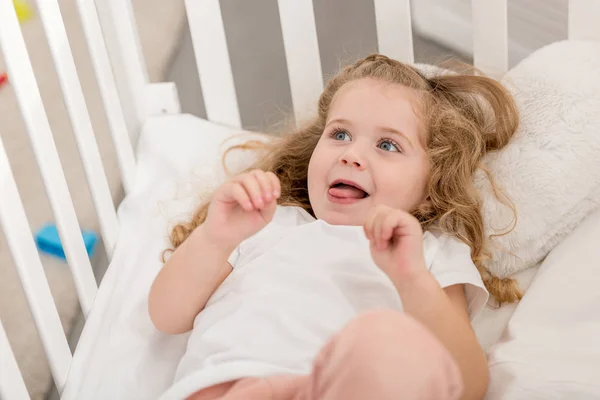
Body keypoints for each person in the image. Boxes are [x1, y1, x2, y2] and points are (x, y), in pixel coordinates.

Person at [149, 54, 520, 400]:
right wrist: (215, 237)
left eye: (388, 145)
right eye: (340, 134)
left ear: (431, 189)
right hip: (227, 385)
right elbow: (167, 316)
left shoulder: (426, 252)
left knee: (378, 339)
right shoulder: (266, 223)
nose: (351, 154)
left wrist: (411, 278)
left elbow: (468, 383)